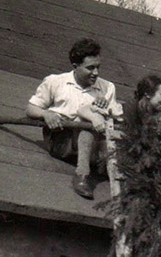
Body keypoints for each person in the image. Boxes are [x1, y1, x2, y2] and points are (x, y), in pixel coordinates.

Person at [27, 37, 122, 198]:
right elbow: (31, 108)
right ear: (75, 66)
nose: (96, 73)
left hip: (94, 143)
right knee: (88, 124)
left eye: (98, 67)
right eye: (90, 68)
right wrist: (46, 114)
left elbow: (113, 118)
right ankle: (82, 175)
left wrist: (104, 108)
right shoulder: (55, 82)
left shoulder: (107, 87)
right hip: (63, 140)